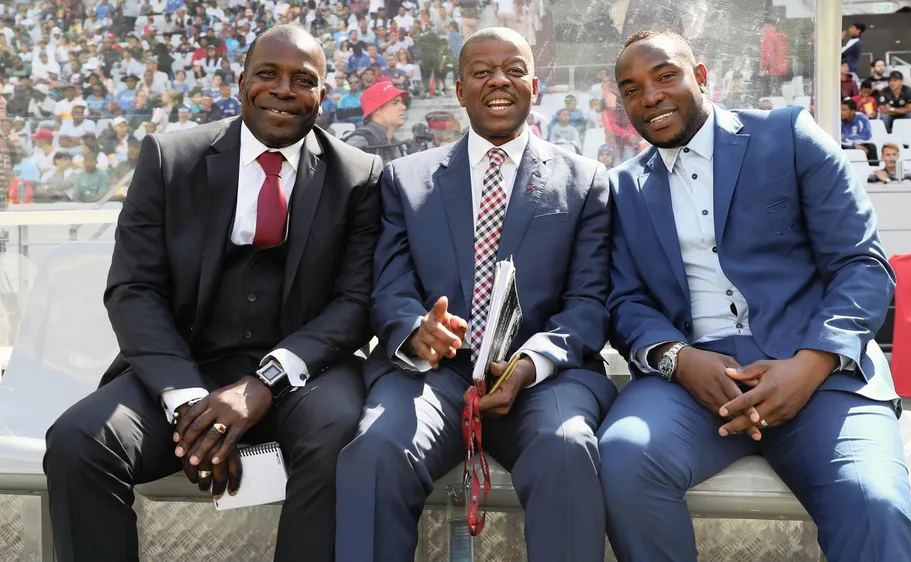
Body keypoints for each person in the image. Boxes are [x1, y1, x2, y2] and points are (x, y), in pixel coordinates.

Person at [43, 25, 383, 562]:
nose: (283, 89)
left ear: (323, 94)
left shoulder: (360, 175)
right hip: (187, 365)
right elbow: (134, 289)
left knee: (340, 434)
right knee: (79, 441)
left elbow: (356, 302)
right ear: (241, 82)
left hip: (305, 377)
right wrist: (187, 403)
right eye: (267, 74)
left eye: (303, 79)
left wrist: (266, 380)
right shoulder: (169, 158)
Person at [597, 30, 911, 562]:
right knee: (623, 459)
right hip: (692, 383)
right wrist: (679, 359)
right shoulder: (621, 188)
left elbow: (861, 265)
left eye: (665, 76)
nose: (651, 96)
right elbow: (625, 302)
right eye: (632, 89)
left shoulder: (789, 134)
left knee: (874, 506)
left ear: (701, 76)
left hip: (818, 373)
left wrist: (811, 364)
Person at [335, 27, 617, 562]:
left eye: (514, 70)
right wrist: (417, 331)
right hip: (434, 376)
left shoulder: (584, 181)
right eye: (482, 72)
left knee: (566, 450)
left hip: (542, 378)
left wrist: (530, 365)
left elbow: (589, 303)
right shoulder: (406, 179)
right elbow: (390, 287)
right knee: (375, 453)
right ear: (460, 91)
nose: (499, 81)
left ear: (535, 85)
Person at [344, 81, 409, 163]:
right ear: (377, 110)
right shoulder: (361, 140)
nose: (403, 107)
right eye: (395, 103)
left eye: (401, 102)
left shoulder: (396, 143)